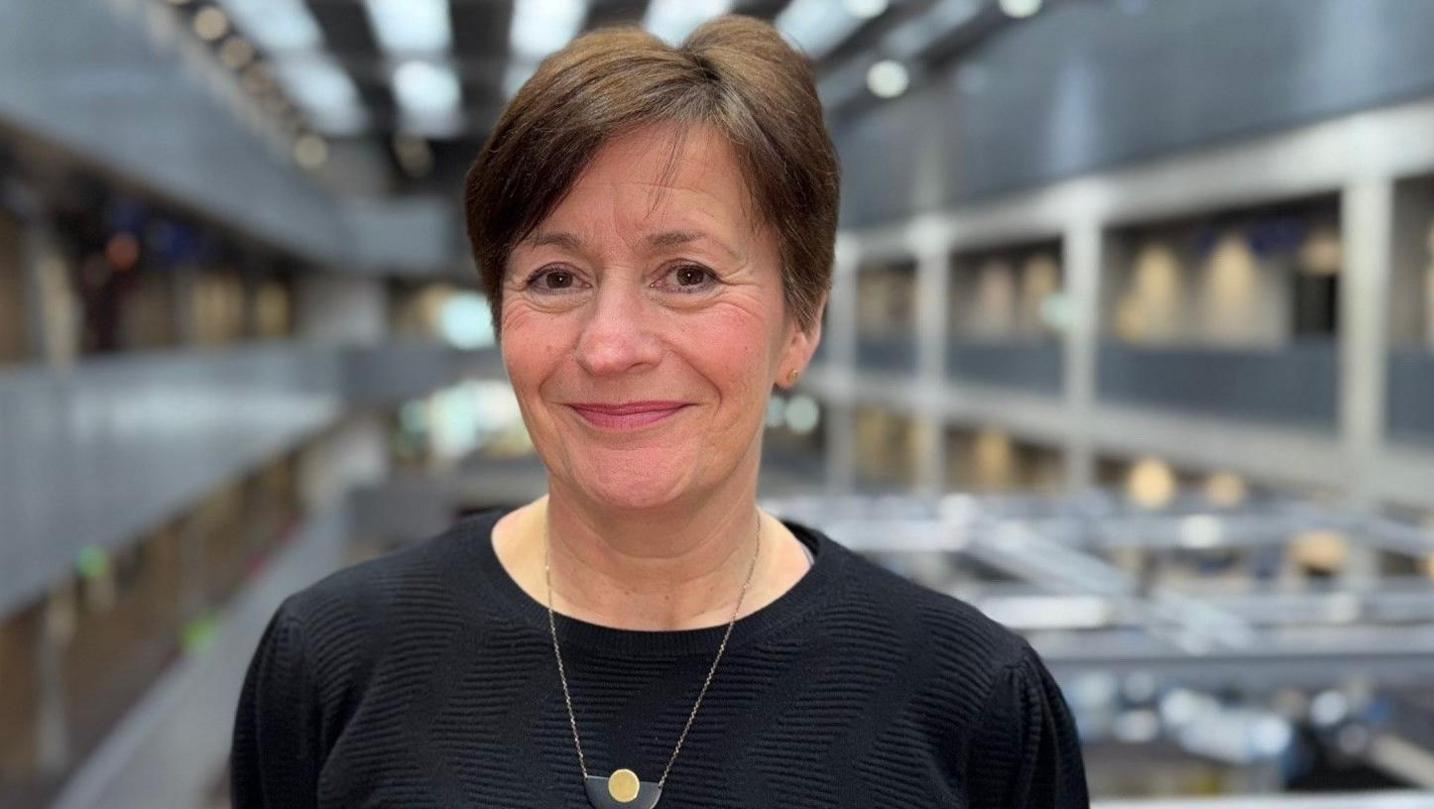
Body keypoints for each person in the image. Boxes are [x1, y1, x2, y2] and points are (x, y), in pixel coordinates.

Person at [230, 15, 1089, 809]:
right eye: (555, 279)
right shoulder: (332, 661)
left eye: (688, 275)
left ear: (802, 324)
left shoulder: (972, 701)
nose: (610, 348)